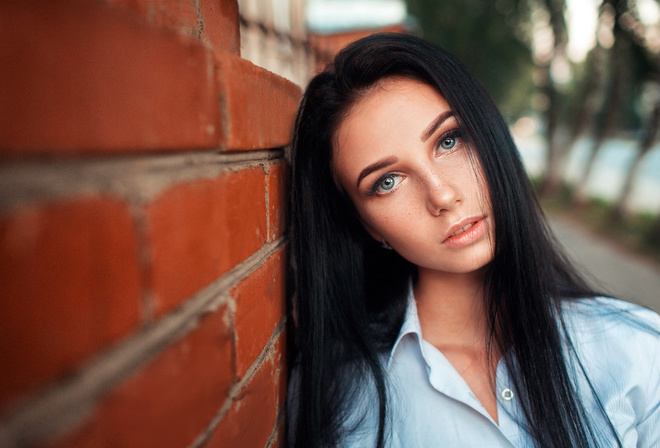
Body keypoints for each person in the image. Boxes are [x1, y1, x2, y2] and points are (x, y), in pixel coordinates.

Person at [286, 33, 660, 448]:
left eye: (449, 140)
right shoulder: (337, 398)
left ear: (488, 135)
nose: (443, 196)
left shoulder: (638, 352)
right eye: (387, 182)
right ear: (366, 224)